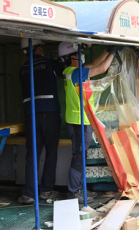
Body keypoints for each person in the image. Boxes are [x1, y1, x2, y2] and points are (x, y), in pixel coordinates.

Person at [58, 42, 115, 202]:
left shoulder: (70, 71)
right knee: (79, 157)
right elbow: (102, 69)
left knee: (80, 156)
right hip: (79, 122)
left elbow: (93, 64)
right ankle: (73, 192)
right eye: (78, 52)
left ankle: (79, 190)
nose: (81, 54)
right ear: (71, 57)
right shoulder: (75, 72)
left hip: (76, 120)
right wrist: (114, 54)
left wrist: (107, 50)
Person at [18, 39, 62, 204]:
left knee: (33, 154)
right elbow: (65, 72)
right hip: (49, 112)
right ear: (36, 49)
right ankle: (46, 190)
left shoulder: (22, 68)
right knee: (51, 152)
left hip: (31, 114)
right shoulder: (48, 63)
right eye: (41, 47)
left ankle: (29, 193)